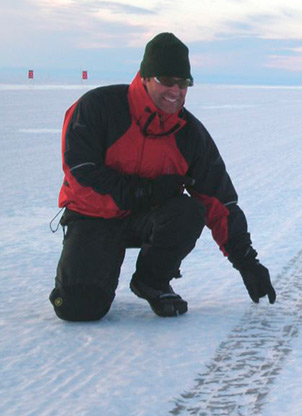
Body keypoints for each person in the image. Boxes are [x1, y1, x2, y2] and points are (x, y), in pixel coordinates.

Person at [49, 32, 276, 321]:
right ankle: (88, 272)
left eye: (184, 83)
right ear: (145, 77)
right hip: (94, 217)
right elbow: (80, 174)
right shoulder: (97, 108)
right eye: (167, 81)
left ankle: (152, 281)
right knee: (80, 307)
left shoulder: (189, 134)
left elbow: (220, 202)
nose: (176, 90)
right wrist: (144, 191)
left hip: (146, 220)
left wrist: (247, 262)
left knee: (188, 210)